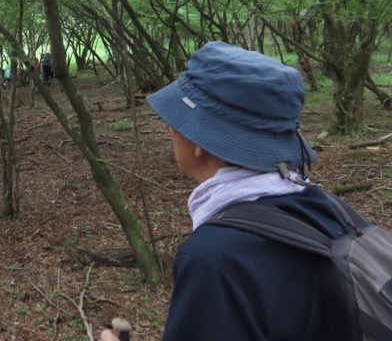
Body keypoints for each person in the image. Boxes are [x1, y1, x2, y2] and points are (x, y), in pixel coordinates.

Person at [101, 41, 353, 341]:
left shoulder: (215, 259)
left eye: (175, 122)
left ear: (199, 142)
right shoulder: (330, 211)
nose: (170, 130)